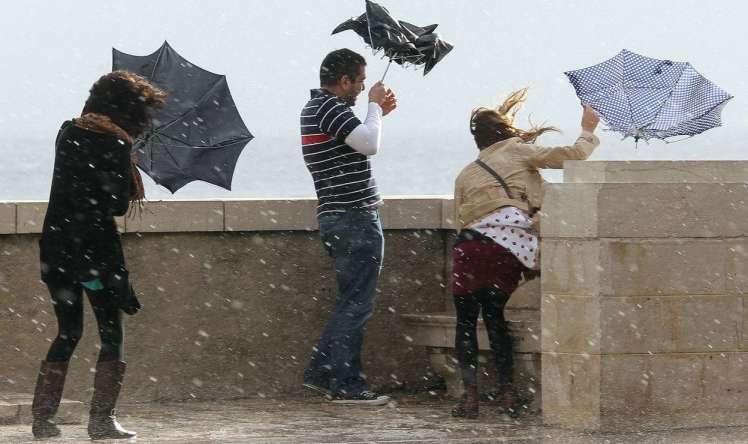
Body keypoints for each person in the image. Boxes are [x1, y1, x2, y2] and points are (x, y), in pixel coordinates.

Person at [32, 70, 165, 439]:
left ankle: (42, 420)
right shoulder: (116, 146)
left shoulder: (67, 132)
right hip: (93, 256)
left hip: (57, 248)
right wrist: (126, 164)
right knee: (111, 333)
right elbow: (116, 205)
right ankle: (102, 420)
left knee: (68, 331)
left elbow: (74, 189)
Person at [451, 89, 600, 418]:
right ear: (505, 131)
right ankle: (507, 394)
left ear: (478, 140)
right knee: (495, 319)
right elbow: (573, 155)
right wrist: (588, 128)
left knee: (464, 323)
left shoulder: (467, 172)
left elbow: (459, 219)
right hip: (506, 246)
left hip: (468, 247)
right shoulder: (518, 151)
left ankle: (470, 396)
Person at [300, 48, 397, 405]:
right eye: (360, 81)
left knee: (349, 301)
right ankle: (347, 385)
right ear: (344, 81)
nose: (362, 87)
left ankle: (322, 373)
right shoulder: (330, 108)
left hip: (337, 216)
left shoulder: (317, 109)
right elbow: (370, 144)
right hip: (354, 216)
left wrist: (377, 113)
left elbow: (361, 139)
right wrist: (373, 107)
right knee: (357, 304)